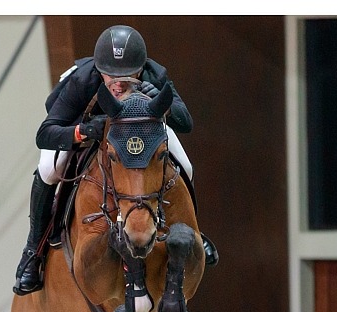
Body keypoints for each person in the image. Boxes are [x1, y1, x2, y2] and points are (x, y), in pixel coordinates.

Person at [13, 24, 218, 296]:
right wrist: (82, 132)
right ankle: (33, 251)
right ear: (99, 69)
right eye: (111, 75)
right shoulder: (83, 80)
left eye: (127, 75)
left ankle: (195, 230)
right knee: (49, 169)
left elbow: (185, 122)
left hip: (138, 136)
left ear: (140, 68)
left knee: (185, 164)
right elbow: (45, 133)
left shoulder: (154, 74)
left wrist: (162, 101)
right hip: (83, 128)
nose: (119, 83)